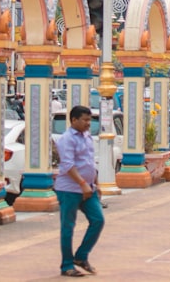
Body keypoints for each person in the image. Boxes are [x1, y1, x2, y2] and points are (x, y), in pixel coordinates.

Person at [55, 105, 104, 277]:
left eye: (89, 120)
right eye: (85, 120)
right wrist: (82, 183)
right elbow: (68, 164)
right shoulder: (67, 139)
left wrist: (95, 183)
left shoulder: (87, 136)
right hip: (69, 189)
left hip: (88, 188)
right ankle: (67, 265)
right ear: (74, 120)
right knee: (68, 227)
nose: (88, 123)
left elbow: (90, 161)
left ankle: (81, 256)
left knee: (98, 220)